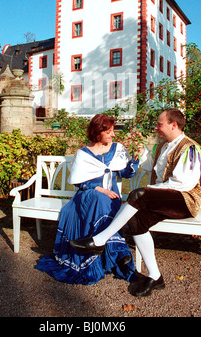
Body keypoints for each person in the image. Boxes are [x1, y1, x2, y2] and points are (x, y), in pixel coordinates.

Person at [70, 108, 201, 296]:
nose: (156, 127)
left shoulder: (189, 148)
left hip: (185, 200)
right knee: (136, 221)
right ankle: (155, 276)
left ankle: (100, 239)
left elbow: (183, 183)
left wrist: (148, 192)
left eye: (160, 124)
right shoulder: (163, 146)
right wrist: (140, 152)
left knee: (139, 194)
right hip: (166, 199)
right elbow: (152, 166)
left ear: (173, 125)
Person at [35, 113, 140, 285]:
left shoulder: (118, 149)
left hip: (110, 197)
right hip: (88, 195)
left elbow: (126, 173)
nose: (113, 135)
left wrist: (134, 160)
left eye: (113, 131)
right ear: (98, 132)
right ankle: (120, 254)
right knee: (100, 199)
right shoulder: (83, 154)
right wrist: (100, 189)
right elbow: (80, 183)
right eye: (109, 132)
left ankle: (111, 251)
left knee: (105, 201)